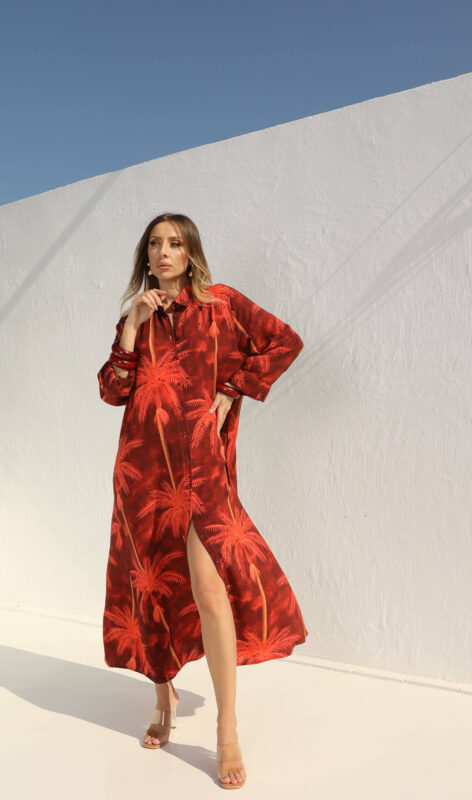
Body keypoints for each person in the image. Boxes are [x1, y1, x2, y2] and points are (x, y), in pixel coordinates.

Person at [97, 213, 308, 789]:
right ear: (145, 256)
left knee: (210, 590)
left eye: (175, 243)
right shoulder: (137, 315)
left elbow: (284, 341)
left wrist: (234, 388)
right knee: (154, 587)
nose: (164, 252)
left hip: (203, 470)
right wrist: (132, 325)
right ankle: (162, 700)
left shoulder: (222, 305)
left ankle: (226, 727)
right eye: (155, 244)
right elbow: (113, 390)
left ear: (190, 252)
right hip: (143, 472)